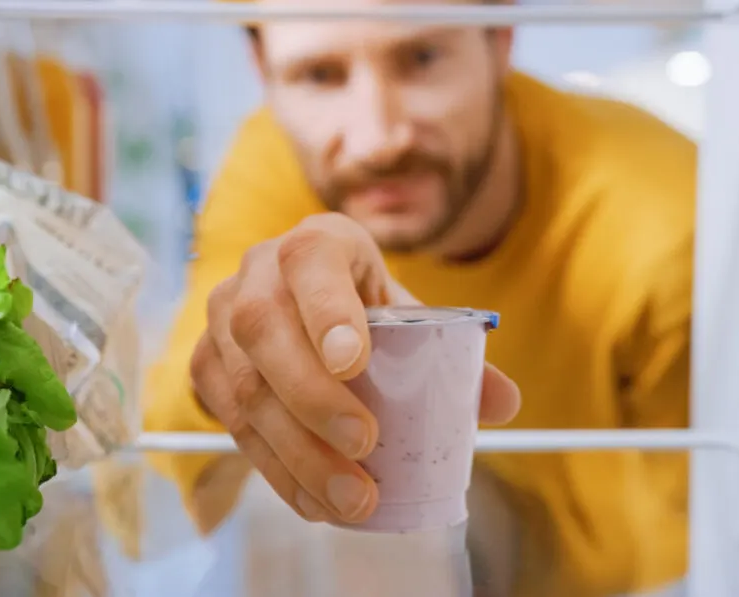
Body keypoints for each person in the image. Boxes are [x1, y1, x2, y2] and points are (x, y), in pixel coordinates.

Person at [144, 0, 696, 595]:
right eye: (319, 75)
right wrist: (230, 373)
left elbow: (714, 541)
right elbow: (165, 472)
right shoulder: (273, 159)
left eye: (423, 57)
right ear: (262, 68)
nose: (378, 140)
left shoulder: (665, 221)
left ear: (500, 41)